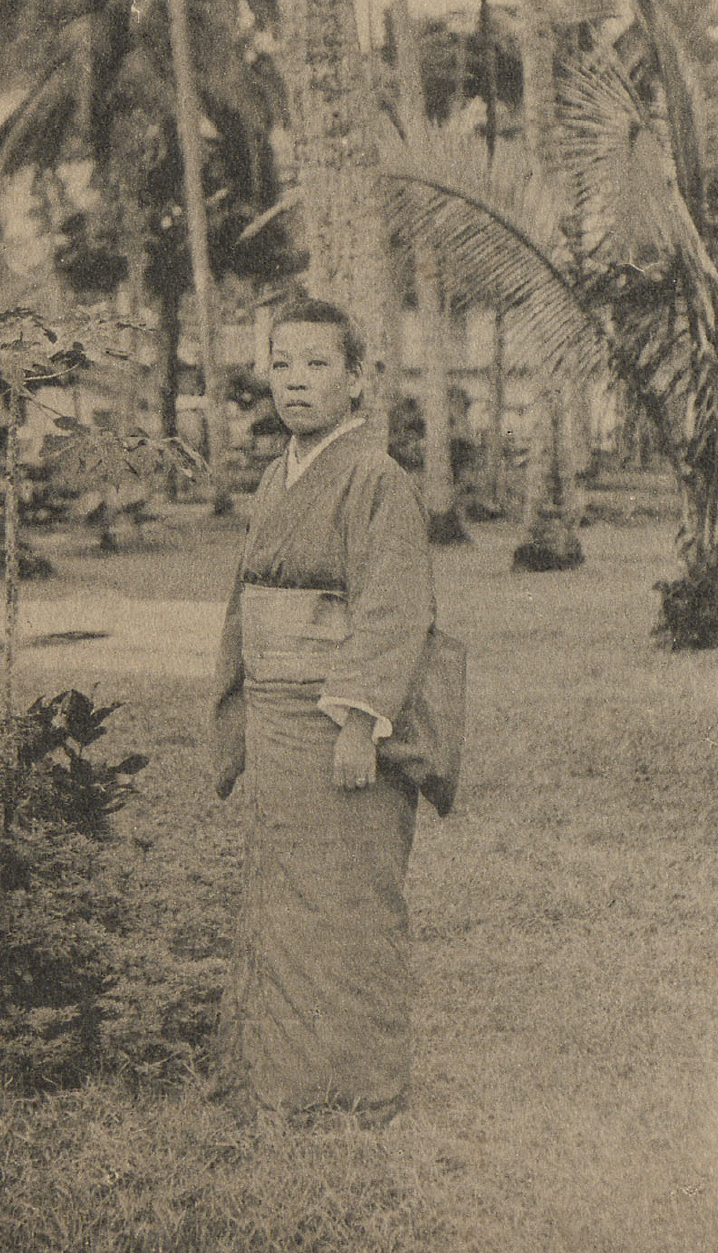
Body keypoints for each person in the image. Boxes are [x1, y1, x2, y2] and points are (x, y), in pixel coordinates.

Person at [211, 295, 463, 1121]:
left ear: (357, 380)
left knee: (350, 900)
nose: (296, 381)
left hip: (338, 721)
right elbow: (245, 599)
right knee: (283, 896)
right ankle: (284, 1085)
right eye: (282, 363)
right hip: (278, 719)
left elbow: (394, 608)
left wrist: (361, 719)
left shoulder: (376, 477)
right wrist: (241, 706)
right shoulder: (275, 475)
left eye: (318, 364)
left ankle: (362, 1091)